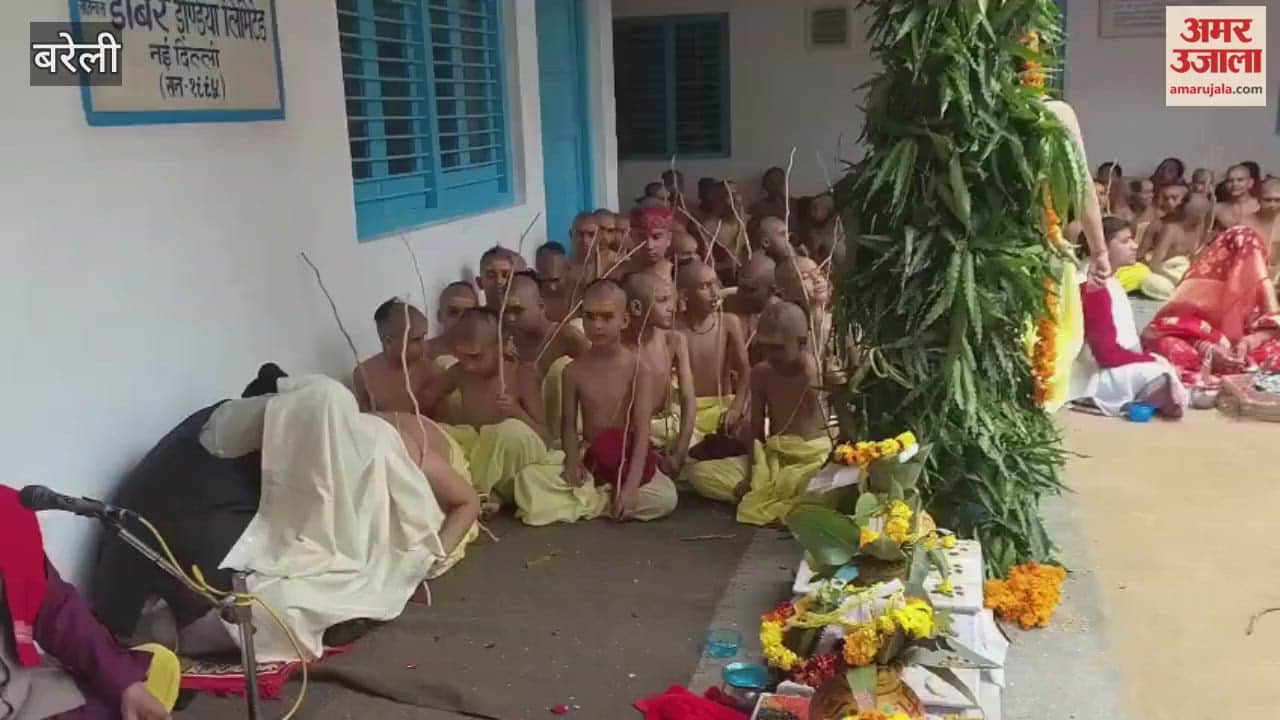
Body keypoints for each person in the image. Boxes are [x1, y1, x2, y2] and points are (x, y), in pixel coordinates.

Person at [1, 486, 176, 720]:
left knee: (153, 673)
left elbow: (54, 607)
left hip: (20, 689)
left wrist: (125, 684)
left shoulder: (6, 514)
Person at [421, 309, 597, 525]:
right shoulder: (459, 372)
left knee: (509, 431)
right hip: (479, 451)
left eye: (476, 357)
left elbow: (544, 437)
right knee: (436, 433)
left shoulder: (521, 374)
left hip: (515, 457)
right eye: (462, 356)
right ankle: (482, 492)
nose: (468, 365)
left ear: (500, 346)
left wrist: (516, 412)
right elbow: (428, 398)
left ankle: (477, 493)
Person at [560, 280, 677, 522]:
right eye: (590, 317)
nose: (597, 325)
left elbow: (643, 431)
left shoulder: (638, 368)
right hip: (591, 460)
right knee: (532, 481)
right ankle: (606, 499)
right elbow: (569, 426)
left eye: (606, 317)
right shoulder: (573, 371)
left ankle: (599, 501)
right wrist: (572, 462)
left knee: (666, 499)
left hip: (626, 455)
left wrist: (632, 486)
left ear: (624, 321)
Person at [1069, 219, 1188, 419]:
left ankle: (1152, 393)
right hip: (1096, 374)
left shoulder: (1108, 279)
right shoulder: (1090, 284)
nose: (1134, 246)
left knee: (1166, 362)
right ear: (1101, 247)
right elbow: (1105, 354)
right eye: (1125, 241)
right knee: (1160, 373)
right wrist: (1149, 360)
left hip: (1117, 363)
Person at [1141, 225, 1280, 383]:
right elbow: (1166, 327)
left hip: (1242, 352)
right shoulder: (1202, 281)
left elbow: (1273, 324)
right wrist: (1208, 349)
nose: (1244, 271)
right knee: (1169, 345)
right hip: (1202, 348)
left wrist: (1252, 340)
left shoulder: (1257, 282)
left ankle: (1240, 371)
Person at [621, 272, 696, 479]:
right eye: (662, 301)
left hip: (665, 425)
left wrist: (680, 452)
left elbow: (689, 399)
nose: (672, 308)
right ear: (636, 308)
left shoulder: (674, 341)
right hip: (630, 430)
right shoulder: (619, 348)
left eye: (671, 299)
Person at [501, 273, 590, 448]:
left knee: (562, 367)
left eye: (518, 311)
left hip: (569, 431)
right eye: (506, 311)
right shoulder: (504, 338)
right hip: (525, 431)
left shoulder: (566, 336)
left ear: (541, 306)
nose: (510, 318)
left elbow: (599, 374)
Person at [675, 261, 750, 444]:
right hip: (685, 412)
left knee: (755, 426)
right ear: (685, 295)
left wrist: (736, 407)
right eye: (704, 287)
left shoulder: (729, 322)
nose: (715, 292)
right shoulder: (674, 329)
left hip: (721, 406)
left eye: (715, 284)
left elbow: (746, 371)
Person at [353, 298, 444, 415]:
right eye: (416, 340)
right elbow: (367, 422)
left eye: (424, 337)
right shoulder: (364, 375)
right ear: (389, 342)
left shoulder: (431, 371)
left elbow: (447, 426)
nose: (424, 346)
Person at [1141, 193, 1212, 298]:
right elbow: (1154, 265)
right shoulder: (1171, 229)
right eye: (1200, 214)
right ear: (1192, 214)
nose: (1202, 218)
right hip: (1165, 275)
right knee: (1151, 282)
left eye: (1204, 214)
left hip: (1183, 274)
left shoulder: (1197, 230)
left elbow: (1192, 262)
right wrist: (1177, 280)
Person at [776, 256, 832, 355]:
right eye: (805, 277)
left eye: (819, 273)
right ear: (785, 293)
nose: (817, 280)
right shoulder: (786, 332)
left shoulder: (837, 324)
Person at [425, 281, 479, 360]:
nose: (461, 320)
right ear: (439, 316)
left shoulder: (485, 356)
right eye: (454, 312)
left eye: (469, 313)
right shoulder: (420, 354)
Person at [627, 205, 675, 280]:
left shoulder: (678, 276)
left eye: (656, 237)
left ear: (669, 238)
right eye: (642, 237)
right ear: (631, 236)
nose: (649, 246)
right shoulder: (619, 274)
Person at [535, 242, 573, 324]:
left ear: (567, 270)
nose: (552, 287)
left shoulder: (577, 294)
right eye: (545, 280)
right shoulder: (531, 294)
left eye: (555, 280)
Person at [1214, 164, 1260, 229]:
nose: (1234, 184)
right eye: (1230, 181)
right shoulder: (1217, 209)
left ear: (1250, 183)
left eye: (1240, 180)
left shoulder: (1260, 207)